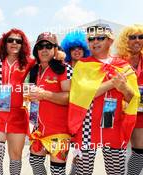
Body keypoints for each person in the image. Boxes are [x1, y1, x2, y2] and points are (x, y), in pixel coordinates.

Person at [68, 23, 139, 175]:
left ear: (110, 41)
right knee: (83, 171)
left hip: (114, 125)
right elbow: (84, 94)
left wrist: (124, 88)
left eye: (100, 37)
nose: (95, 41)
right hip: (87, 125)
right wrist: (113, 83)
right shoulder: (83, 65)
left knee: (116, 172)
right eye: (91, 39)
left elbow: (132, 98)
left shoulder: (123, 66)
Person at [0, 28, 34, 175]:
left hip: (17, 116)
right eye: (10, 40)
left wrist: (58, 53)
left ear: (23, 44)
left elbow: (47, 57)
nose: (14, 43)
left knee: (15, 158)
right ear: (4, 42)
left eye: (18, 41)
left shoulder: (28, 62)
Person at [27, 32, 72, 175]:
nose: (44, 49)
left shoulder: (64, 68)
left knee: (57, 172)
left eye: (48, 46)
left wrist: (44, 95)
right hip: (39, 131)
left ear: (55, 49)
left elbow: (69, 97)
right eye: (40, 46)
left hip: (59, 132)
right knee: (34, 162)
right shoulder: (35, 70)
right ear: (36, 50)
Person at [60, 30, 90, 175]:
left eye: (80, 48)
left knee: (79, 156)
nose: (77, 51)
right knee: (61, 154)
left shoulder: (90, 69)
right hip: (63, 116)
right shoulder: (63, 68)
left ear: (85, 50)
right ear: (68, 50)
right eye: (73, 48)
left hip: (83, 118)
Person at [116, 24, 143, 175]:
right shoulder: (118, 61)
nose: (137, 40)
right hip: (121, 113)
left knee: (139, 151)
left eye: (140, 37)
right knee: (116, 152)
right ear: (125, 41)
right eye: (132, 37)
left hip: (140, 112)